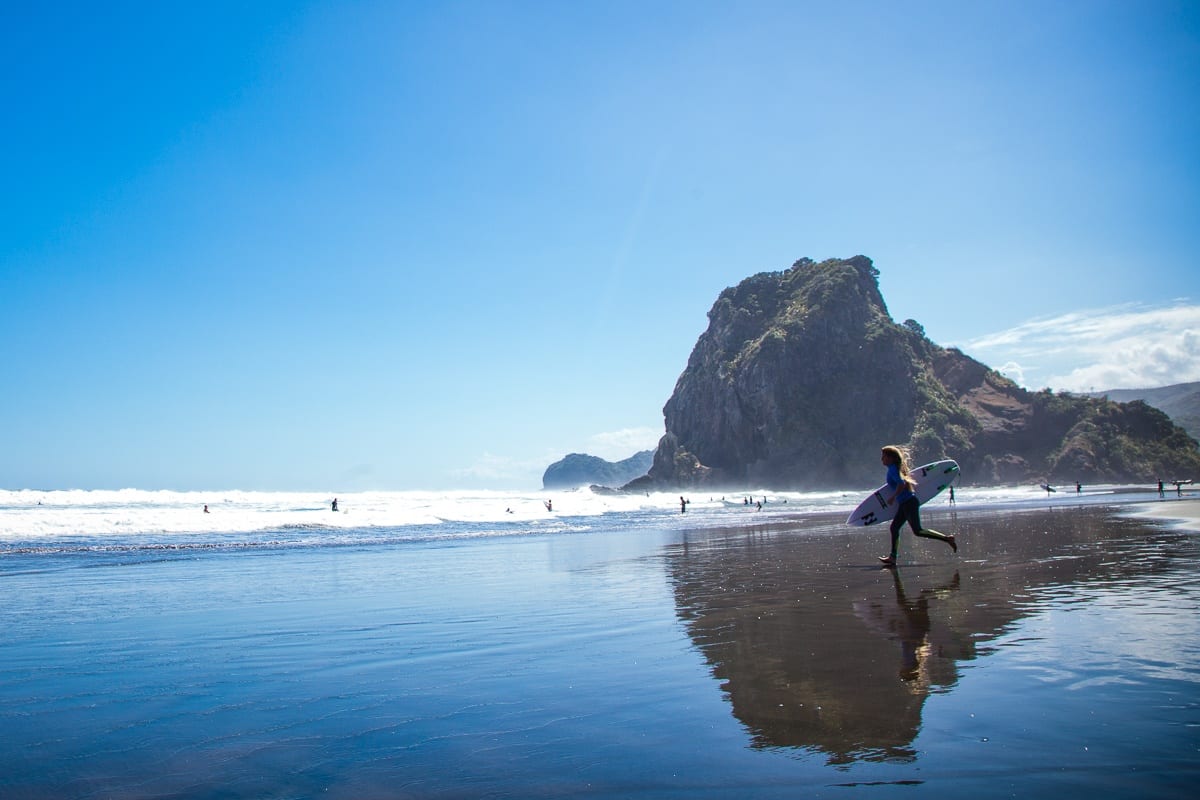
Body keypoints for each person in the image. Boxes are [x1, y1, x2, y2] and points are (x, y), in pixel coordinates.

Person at [878, 445, 956, 566]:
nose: (881, 459)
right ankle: (892, 557)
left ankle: (947, 539)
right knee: (894, 528)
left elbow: (901, 484)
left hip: (908, 502)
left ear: (891, 458)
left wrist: (893, 497)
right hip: (905, 503)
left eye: (884, 456)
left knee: (918, 531)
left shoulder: (893, 469)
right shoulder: (893, 468)